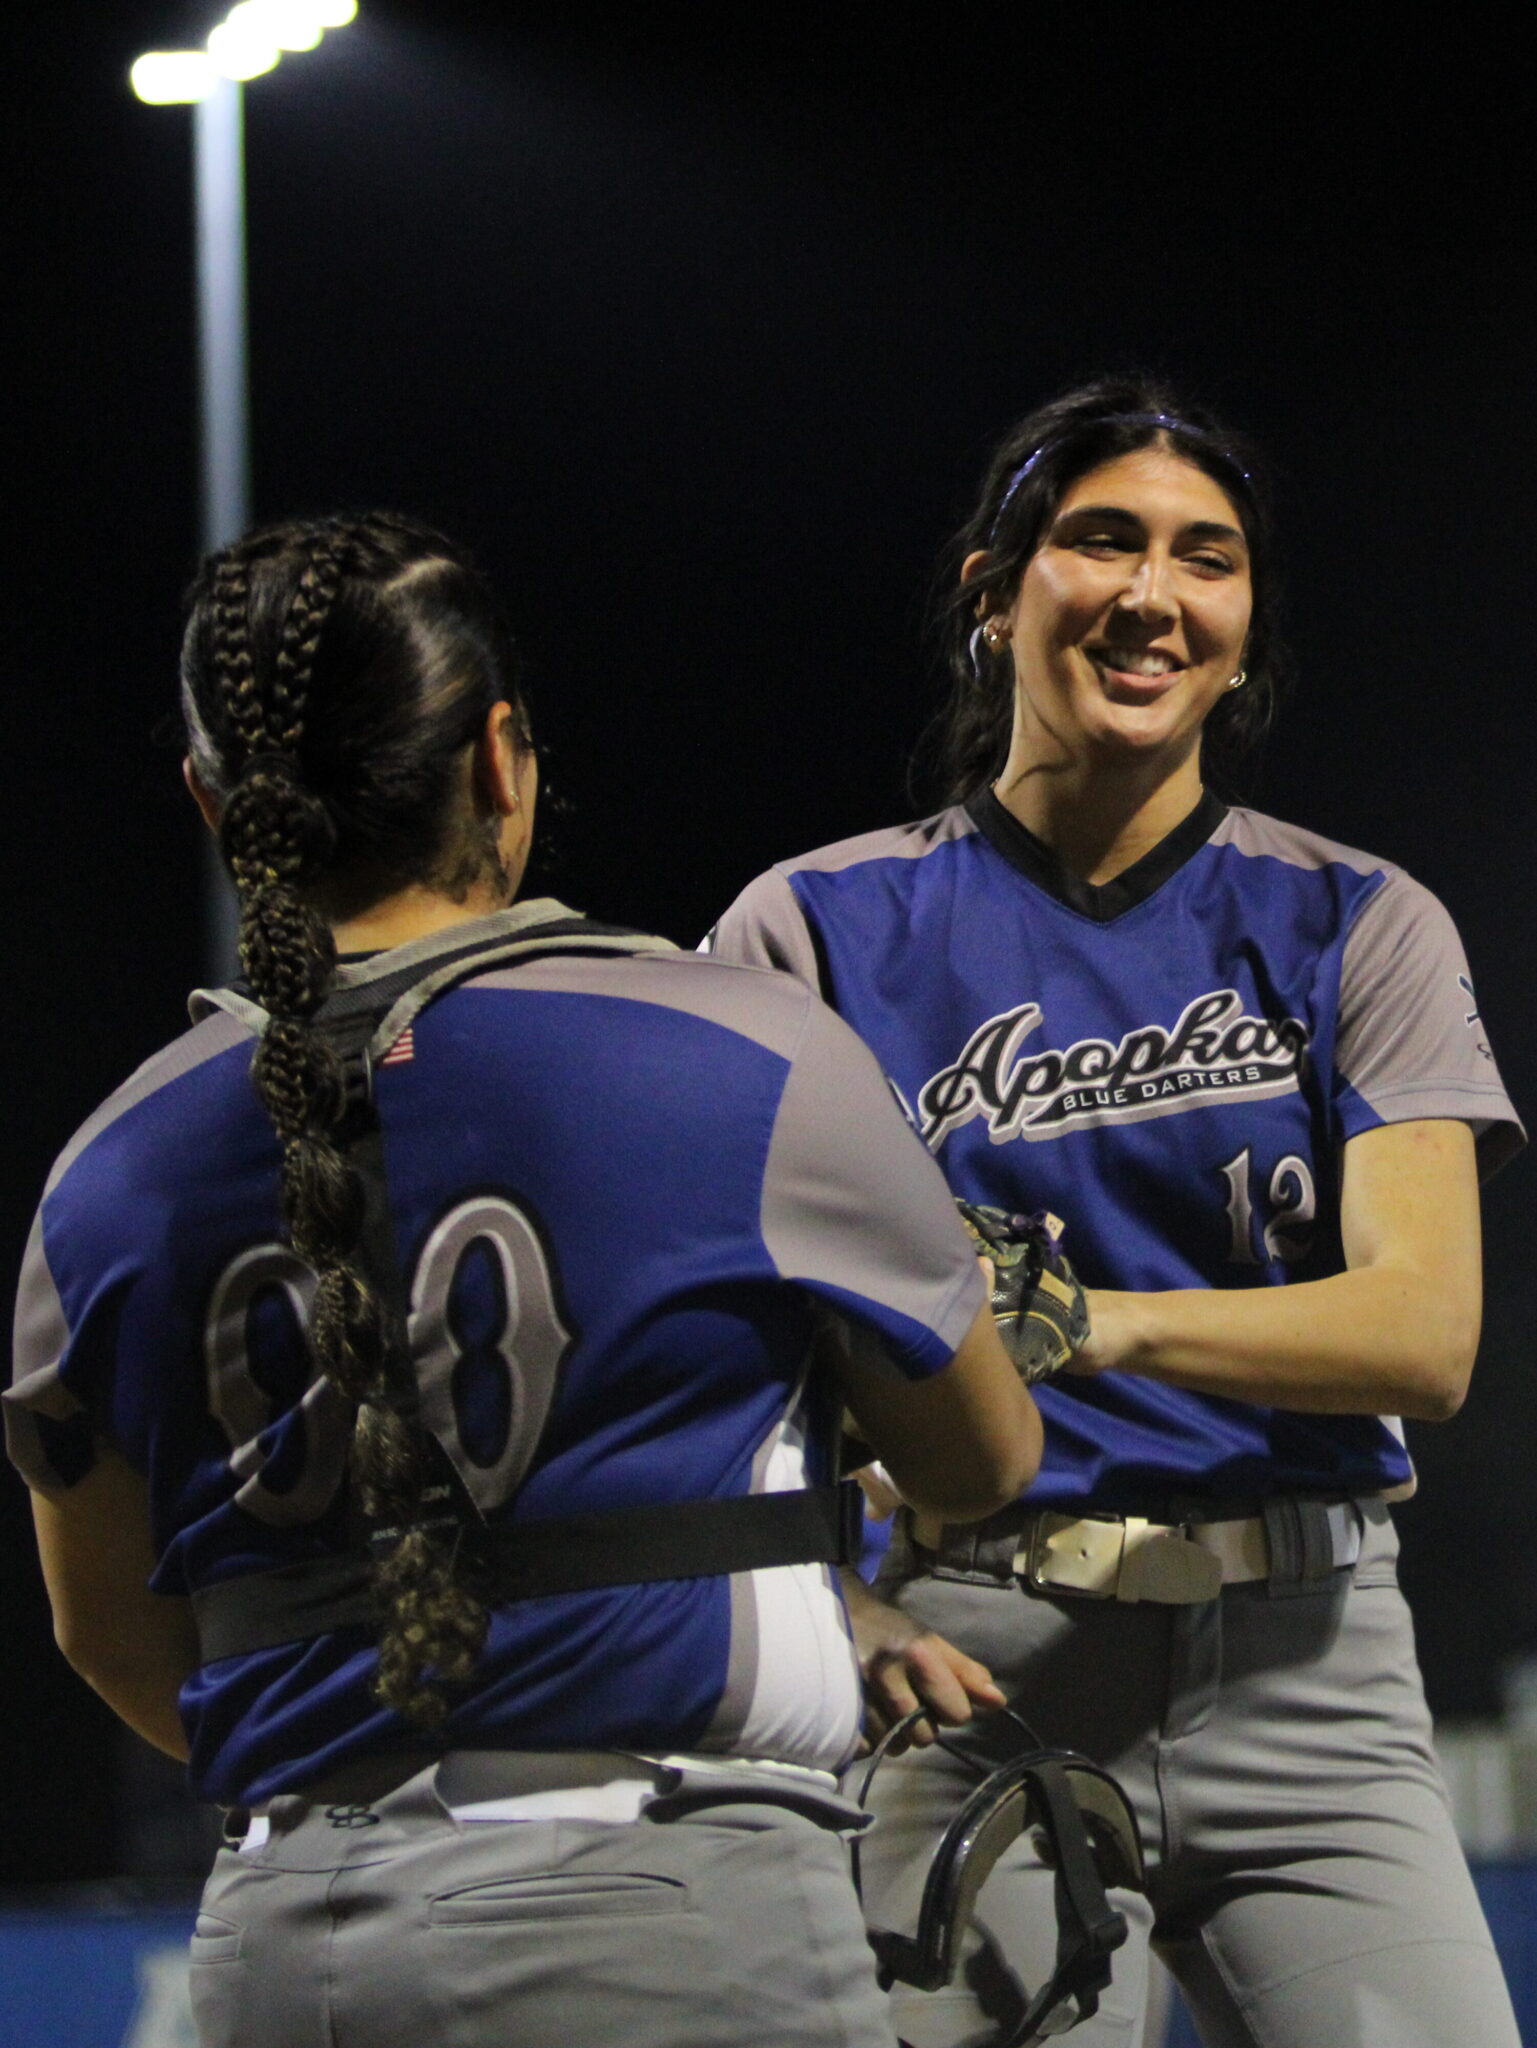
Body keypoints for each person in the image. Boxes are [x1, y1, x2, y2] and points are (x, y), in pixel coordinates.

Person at [5, 512, 1045, 2048]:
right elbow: (984, 1459)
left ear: (215, 808)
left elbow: (107, 1634)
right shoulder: (743, 1053)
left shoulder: (106, 1167)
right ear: (500, 757)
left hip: (285, 1939)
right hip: (663, 1914)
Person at [707, 378, 1524, 2048]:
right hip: (970, 1667)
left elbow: (1421, 1334)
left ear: (1242, 620)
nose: (1154, 594)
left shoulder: (1351, 919)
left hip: (1311, 1665)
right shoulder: (812, 929)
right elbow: (709, 1357)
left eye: (1205, 558)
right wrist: (837, 1609)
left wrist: (1083, 1327)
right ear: (993, 592)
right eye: (1101, 541)